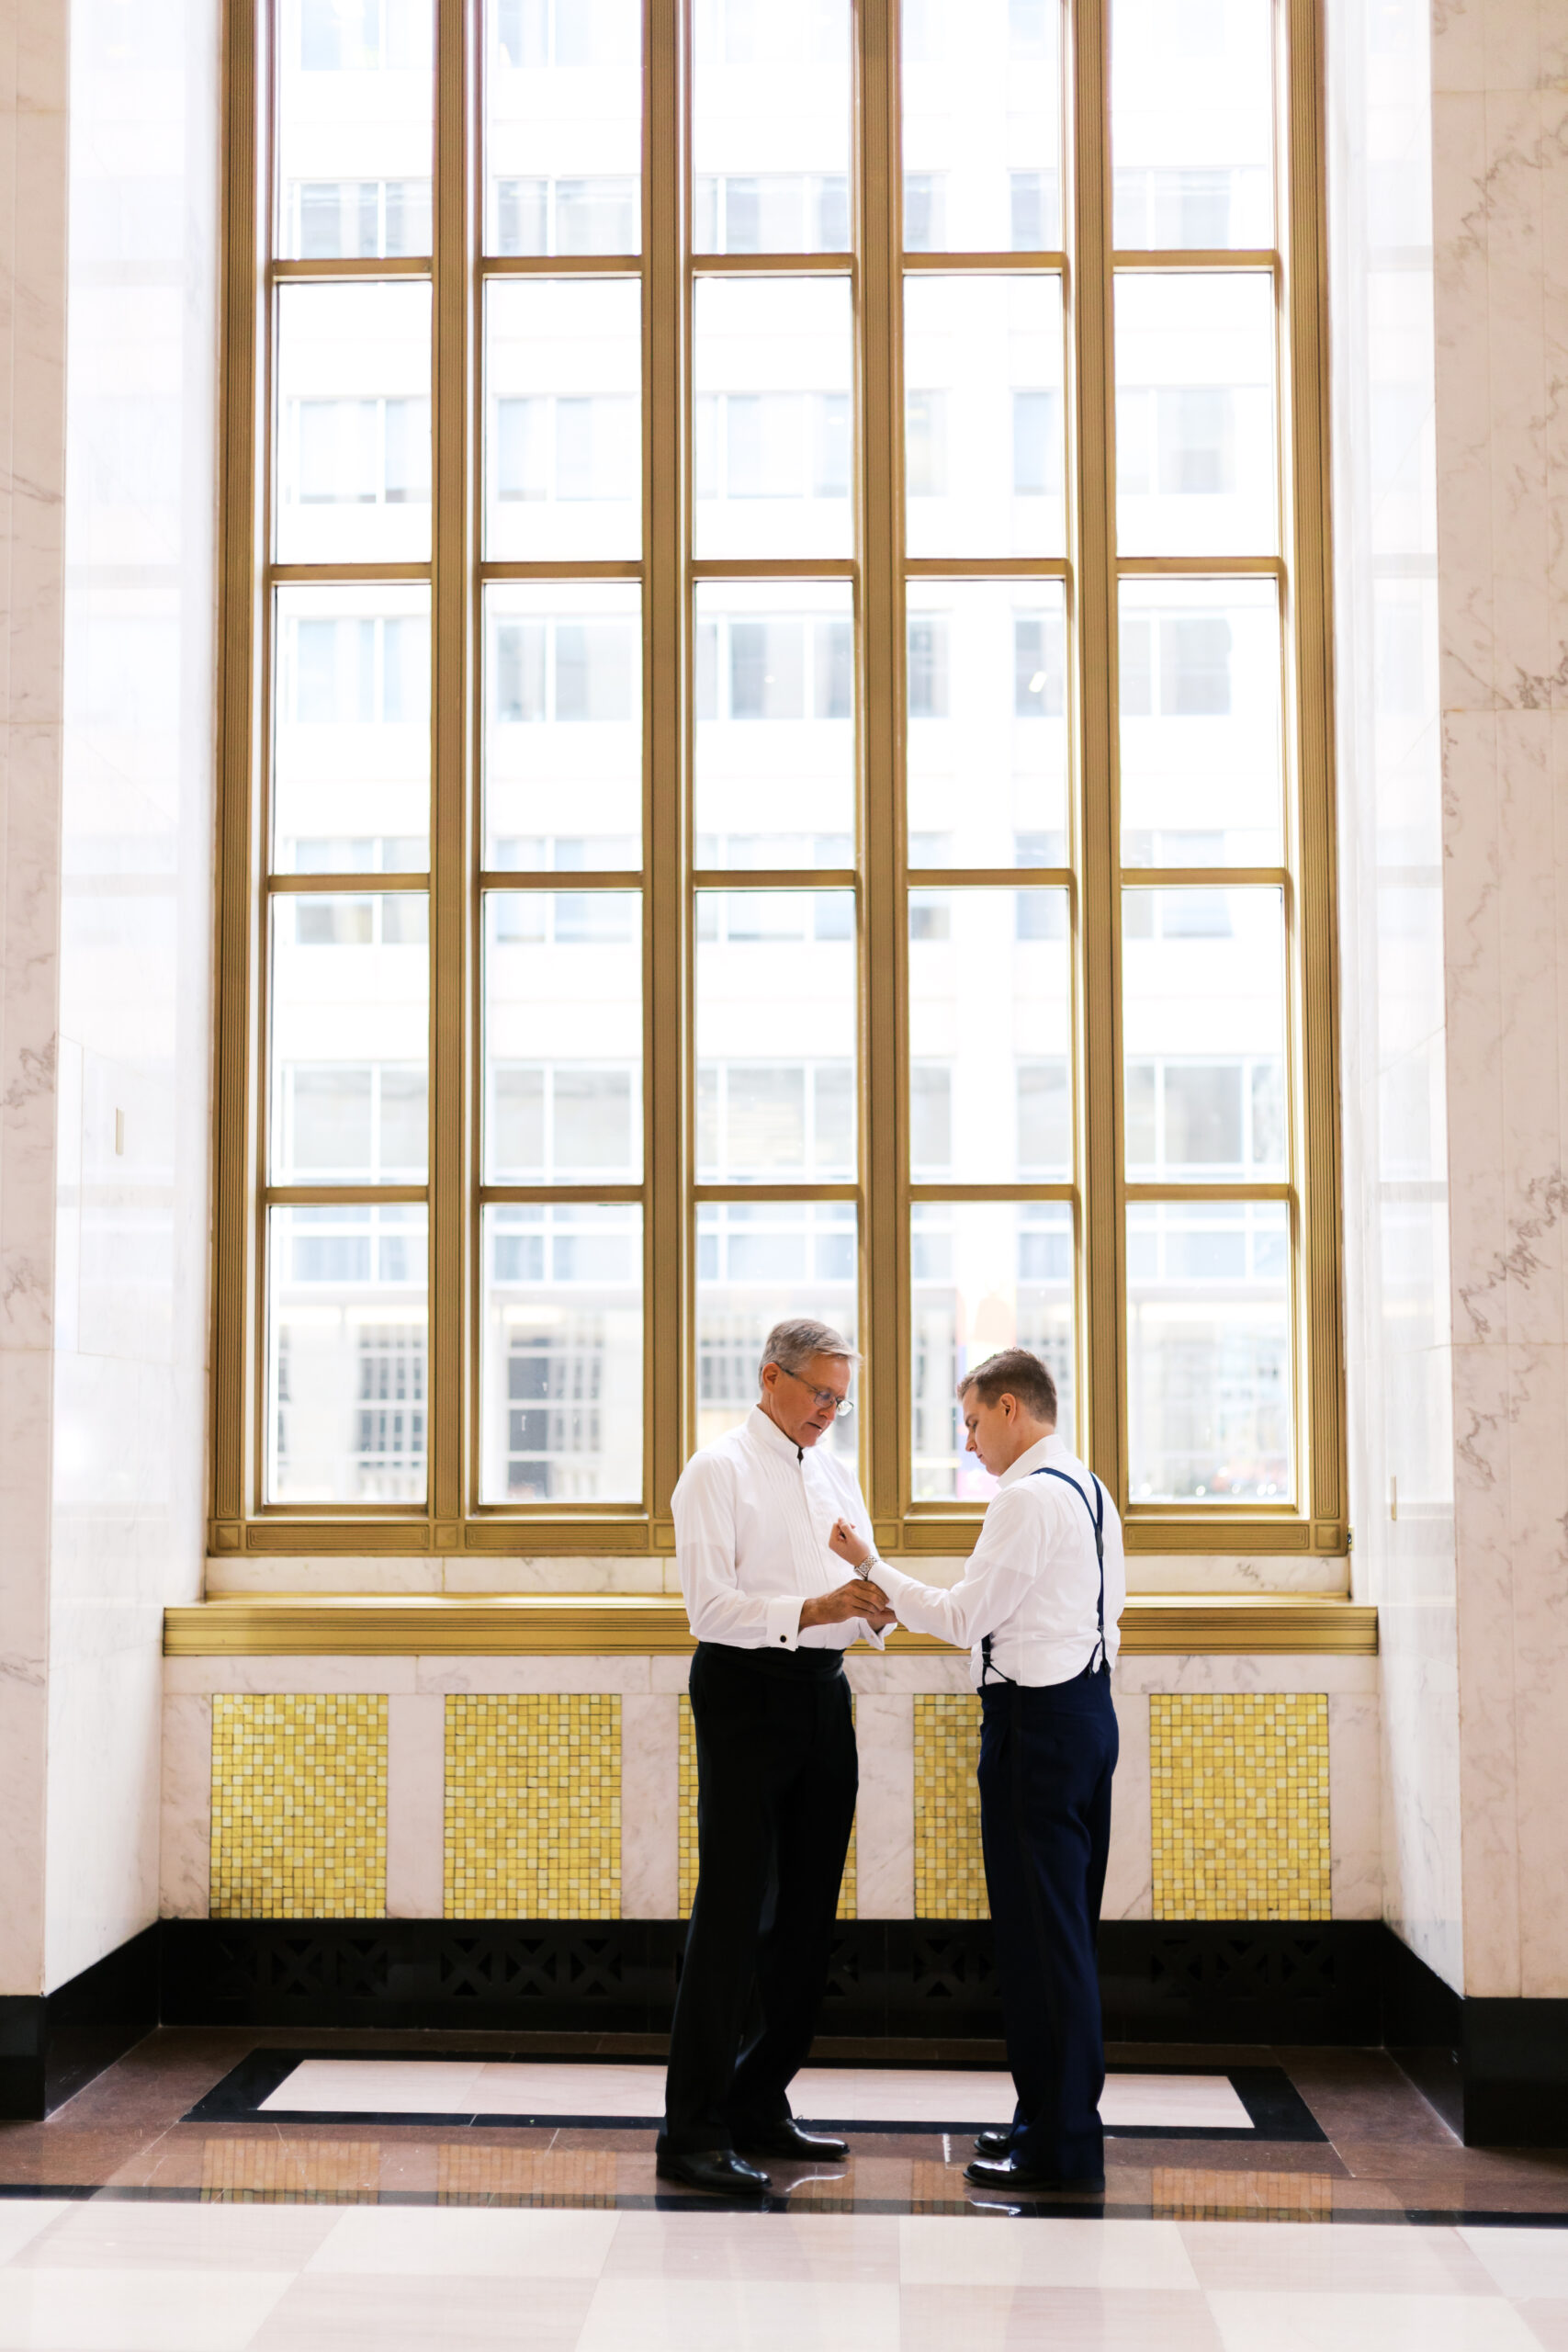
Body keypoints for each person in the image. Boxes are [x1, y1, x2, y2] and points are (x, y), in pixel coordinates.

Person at [830, 1346, 1124, 2193]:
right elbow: (1113, 1612)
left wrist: (869, 1566)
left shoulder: (1026, 1500)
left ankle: (1059, 2144)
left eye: (968, 1422)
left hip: (1034, 1729)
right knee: (1059, 1937)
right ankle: (1048, 2125)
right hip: (1084, 1713)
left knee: (1043, 1944)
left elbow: (963, 1618)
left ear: (1008, 1408)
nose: (966, 1443)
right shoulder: (1090, 1489)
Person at [656, 1317, 893, 2198]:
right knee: (730, 1908)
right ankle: (691, 2132)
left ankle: (760, 2100)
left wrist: (875, 1609)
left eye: (842, 1397)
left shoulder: (834, 1470)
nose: (831, 1411)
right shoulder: (715, 1471)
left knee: (804, 1912)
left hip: (821, 1692)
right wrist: (819, 1607)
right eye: (820, 1392)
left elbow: (861, 1581)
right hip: (745, 1692)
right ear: (770, 1378)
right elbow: (709, 1609)